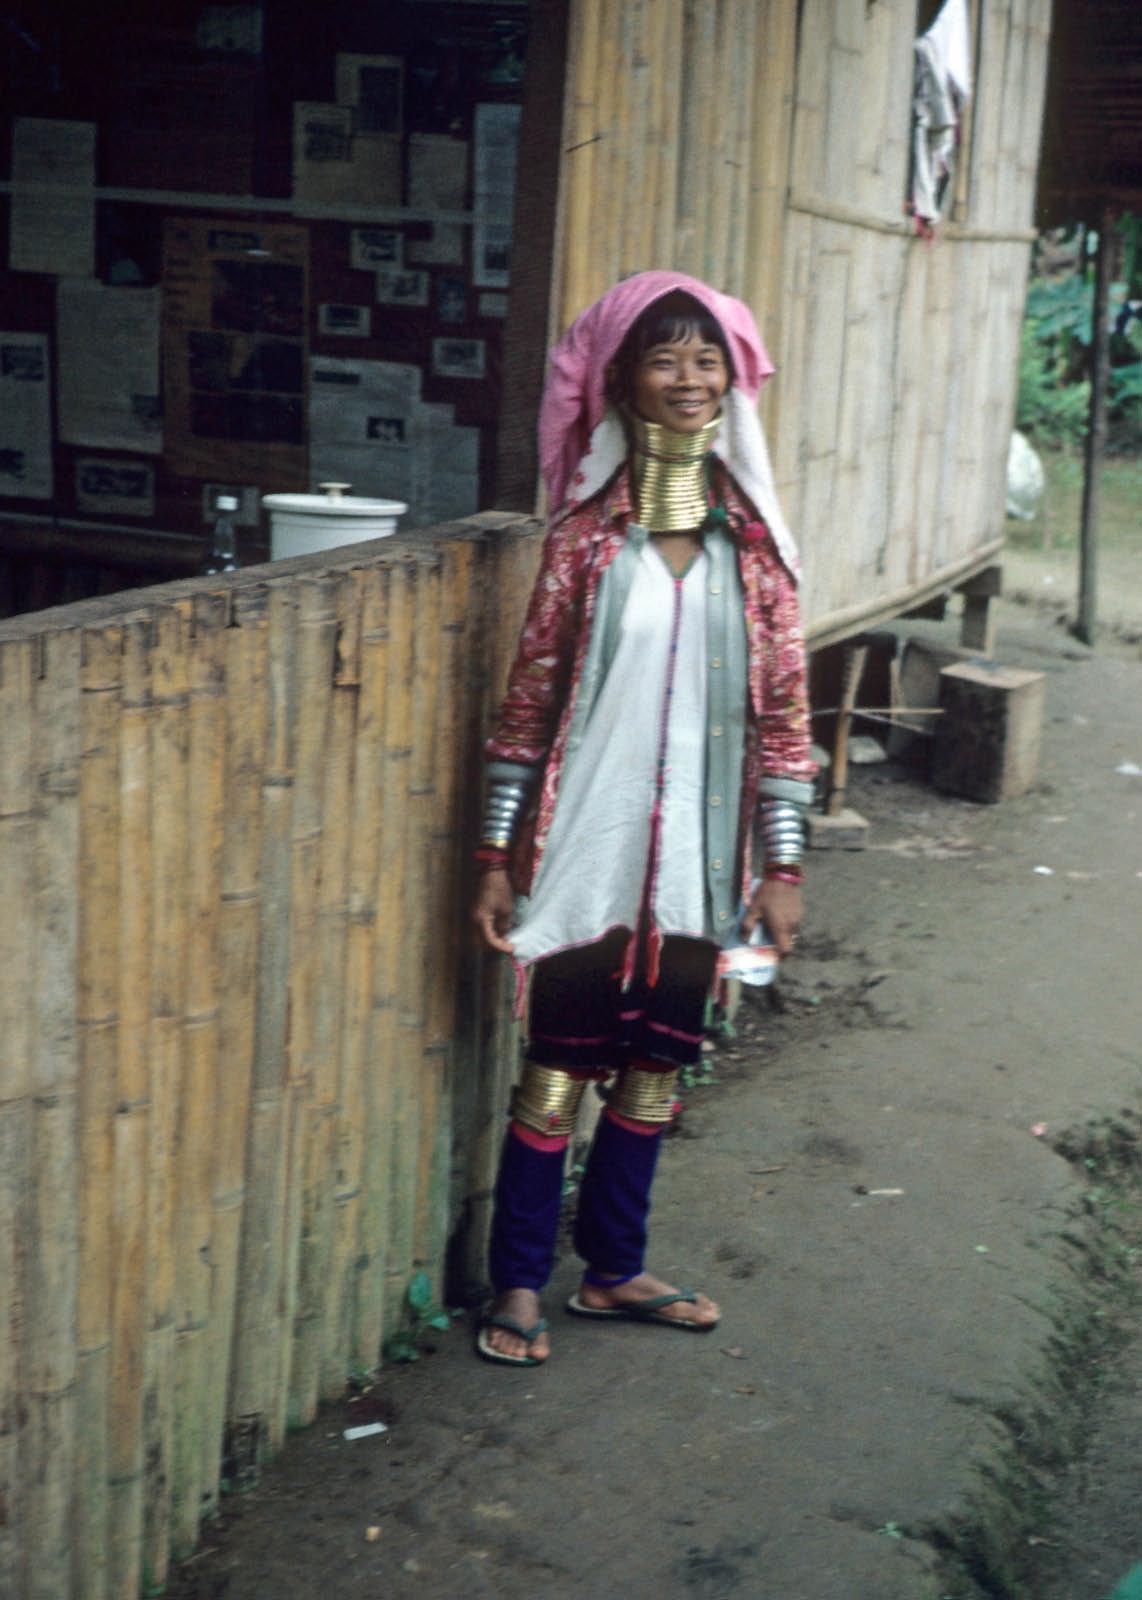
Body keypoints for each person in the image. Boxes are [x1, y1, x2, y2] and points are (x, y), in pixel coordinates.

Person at [471, 271, 815, 1366]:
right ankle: (518, 1282)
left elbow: (782, 718)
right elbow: (526, 706)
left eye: (705, 359)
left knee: (656, 1065)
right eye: (663, 358)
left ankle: (613, 1270)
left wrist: (783, 864)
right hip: (582, 853)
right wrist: (494, 853)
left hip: (698, 866)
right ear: (618, 381)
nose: (687, 378)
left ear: (731, 384)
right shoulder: (581, 546)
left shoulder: (752, 558)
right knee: (553, 1070)